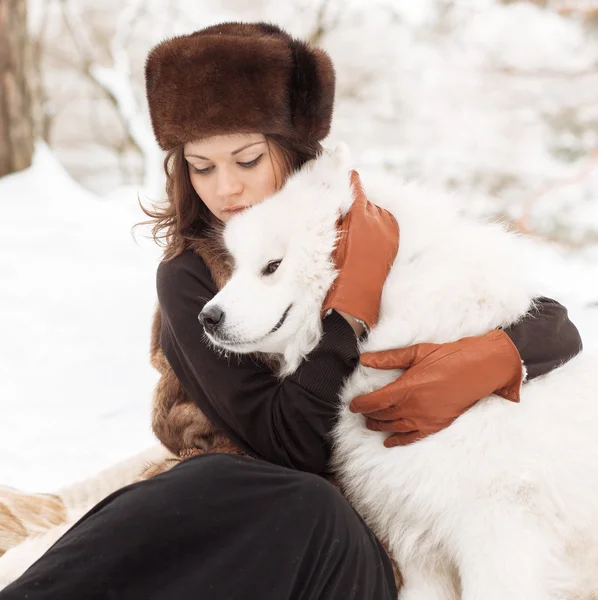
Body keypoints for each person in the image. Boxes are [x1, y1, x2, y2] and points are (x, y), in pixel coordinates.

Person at [0, 21, 582, 600]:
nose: (226, 189)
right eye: (201, 167)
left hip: (378, 548)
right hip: (267, 511)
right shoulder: (191, 276)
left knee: (305, 504)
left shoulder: (358, 218)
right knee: (254, 486)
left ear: (292, 149)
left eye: (247, 160)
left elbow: (540, 314)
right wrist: (348, 317)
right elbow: (289, 448)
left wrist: (496, 355)